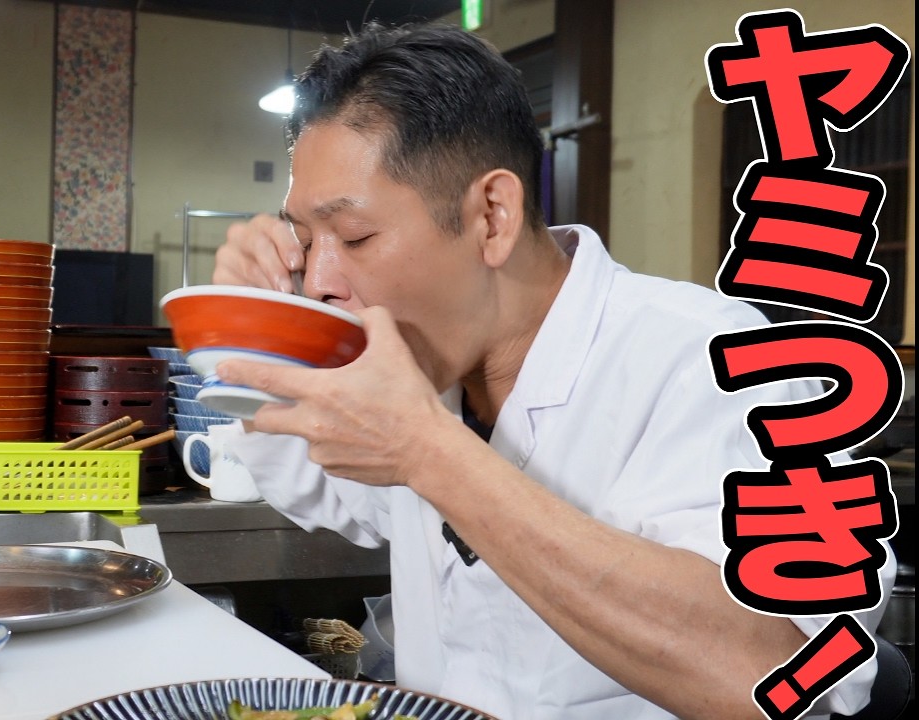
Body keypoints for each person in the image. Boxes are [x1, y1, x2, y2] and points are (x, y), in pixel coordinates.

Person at [210, 22, 894, 720]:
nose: (317, 278)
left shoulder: (714, 360)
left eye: (353, 236)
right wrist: (258, 331)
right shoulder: (431, 355)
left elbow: (785, 669)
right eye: (303, 237)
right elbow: (319, 486)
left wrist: (434, 455)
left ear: (493, 215)